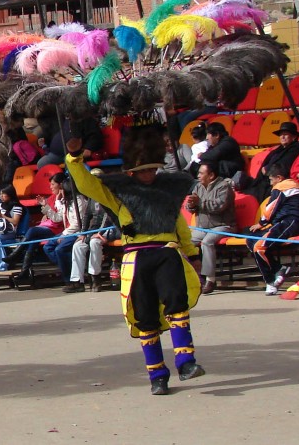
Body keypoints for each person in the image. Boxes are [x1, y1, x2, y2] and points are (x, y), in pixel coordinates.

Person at [65, 127, 206, 395]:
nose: (149, 175)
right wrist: (74, 156)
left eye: (153, 169)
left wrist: (193, 253)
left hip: (167, 253)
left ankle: (186, 362)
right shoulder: (117, 194)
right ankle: (157, 375)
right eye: (143, 170)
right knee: (145, 317)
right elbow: (86, 184)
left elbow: (181, 228)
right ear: (131, 172)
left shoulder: (167, 193)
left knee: (177, 305)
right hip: (137, 259)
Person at [246, 165, 299, 295]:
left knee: (259, 247)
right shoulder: (294, 185)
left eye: (271, 180)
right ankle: (279, 268)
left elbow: (271, 208)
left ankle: (270, 281)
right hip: (284, 222)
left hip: (290, 221)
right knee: (251, 239)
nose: (270, 183)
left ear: (279, 178)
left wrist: (261, 223)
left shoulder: (282, 187)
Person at [6, 173, 68, 285]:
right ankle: (24, 271)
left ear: (60, 185)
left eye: (53, 184)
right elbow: (48, 215)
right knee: (32, 241)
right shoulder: (52, 198)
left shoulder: (64, 198)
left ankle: (16, 254)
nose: (51, 187)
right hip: (48, 227)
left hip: (58, 229)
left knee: (33, 231)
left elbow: (58, 219)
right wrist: (45, 209)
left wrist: (46, 207)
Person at [186, 162, 236, 295]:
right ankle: (193, 276)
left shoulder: (224, 187)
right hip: (202, 227)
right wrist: (191, 205)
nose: (198, 175)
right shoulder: (198, 187)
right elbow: (191, 208)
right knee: (184, 243)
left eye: (201, 173)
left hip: (223, 225)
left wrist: (199, 203)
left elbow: (219, 207)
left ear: (211, 175)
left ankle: (210, 279)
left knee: (207, 242)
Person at [70, 168, 120, 292]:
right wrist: (83, 233)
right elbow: (87, 216)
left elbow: (109, 216)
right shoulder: (92, 196)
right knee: (78, 246)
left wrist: (100, 233)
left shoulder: (108, 194)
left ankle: (95, 277)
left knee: (94, 243)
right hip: (94, 229)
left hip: (109, 228)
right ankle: (77, 281)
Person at [244, 123, 299, 201]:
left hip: (277, 182)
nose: (282, 137)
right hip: (265, 180)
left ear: (294, 137)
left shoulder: (296, 149)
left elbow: (283, 166)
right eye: (281, 135)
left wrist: (267, 169)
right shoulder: (279, 149)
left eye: (285, 134)